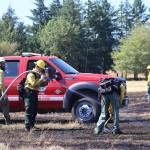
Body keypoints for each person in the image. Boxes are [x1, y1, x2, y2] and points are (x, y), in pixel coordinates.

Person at [24, 59, 48, 131]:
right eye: (41, 69)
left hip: (34, 93)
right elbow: (33, 84)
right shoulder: (31, 74)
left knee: (34, 110)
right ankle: (28, 127)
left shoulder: (37, 75)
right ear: (37, 67)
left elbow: (41, 84)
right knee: (29, 110)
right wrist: (41, 79)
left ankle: (32, 125)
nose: (42, 70)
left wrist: (44, 80)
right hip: (29, 93)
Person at [0, 57, 11, 125]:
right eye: (3, 63)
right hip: (2, 93)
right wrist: (3, 94)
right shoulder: (1, 71)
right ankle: (8, 122)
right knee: (5, 107)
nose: (4, 65)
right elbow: (1, 83)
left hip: (2, 92)